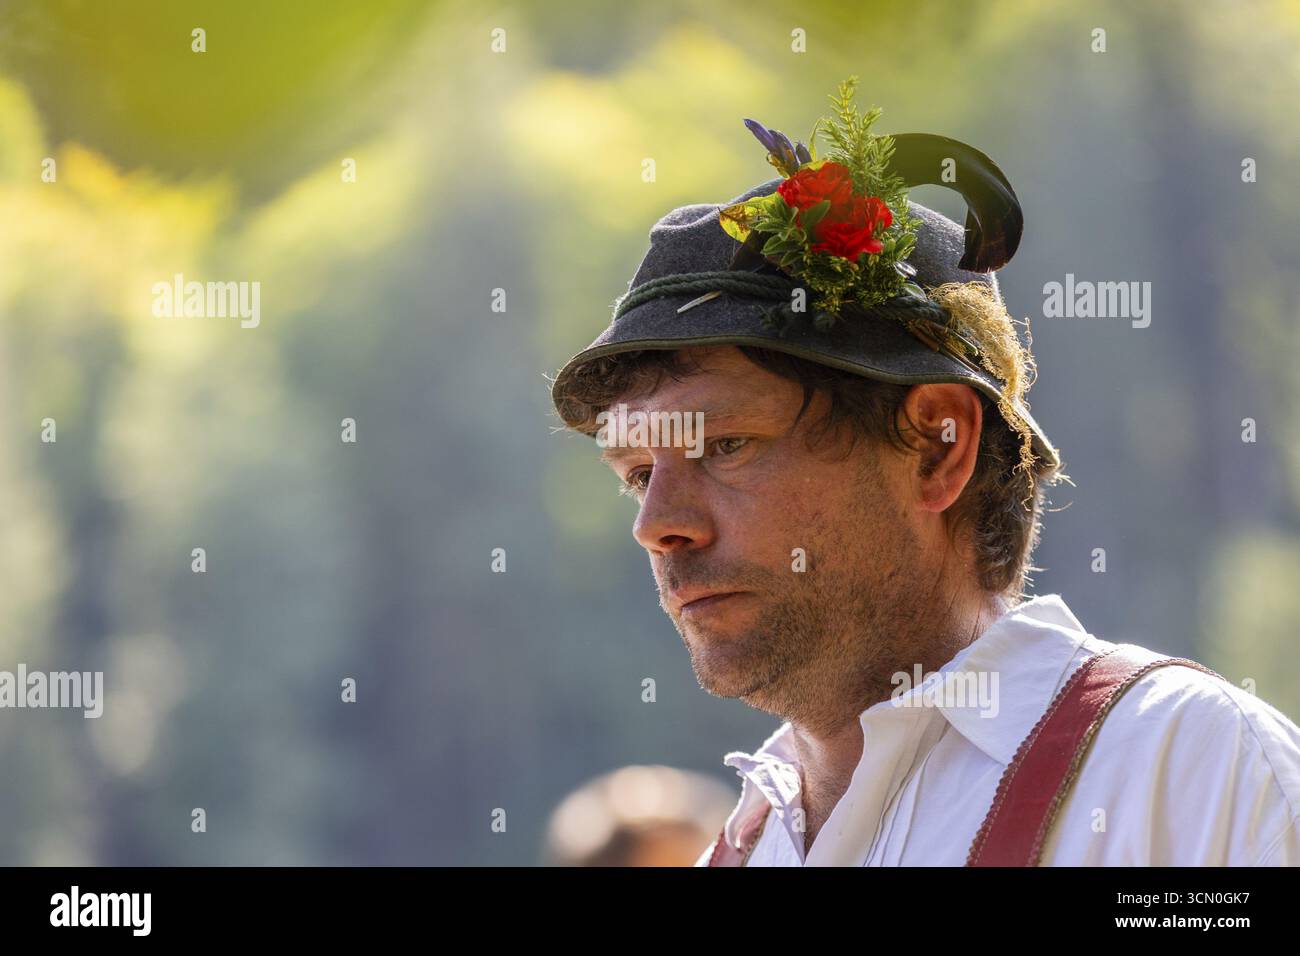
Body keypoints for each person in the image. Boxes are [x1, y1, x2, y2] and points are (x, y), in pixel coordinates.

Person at [547, 78, 1300, 866]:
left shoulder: (1188, 778)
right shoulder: (743, 851)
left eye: (726, 446)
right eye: (637, 473)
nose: (657, 524)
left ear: (938, 447)